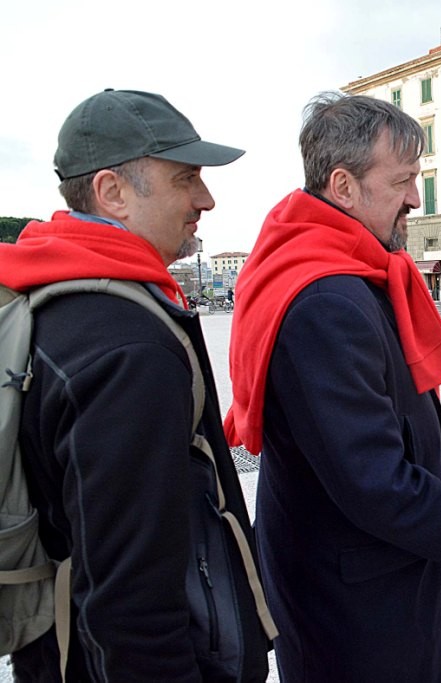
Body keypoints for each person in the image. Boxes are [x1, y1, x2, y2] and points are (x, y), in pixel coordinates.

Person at [223, 92, 441, 682]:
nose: (415, 198)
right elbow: (375, 483)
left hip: (382, 594)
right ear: (343, 186)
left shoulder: (352, 274)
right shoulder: (325, 302)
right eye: (403, 180)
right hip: (357, 620)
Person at [0, 89, 272, 681]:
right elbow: (130, 601)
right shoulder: (128, 347)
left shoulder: (49, 293)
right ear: (112, 192)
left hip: (55, 652)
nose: (206, 199)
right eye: (186, 178)